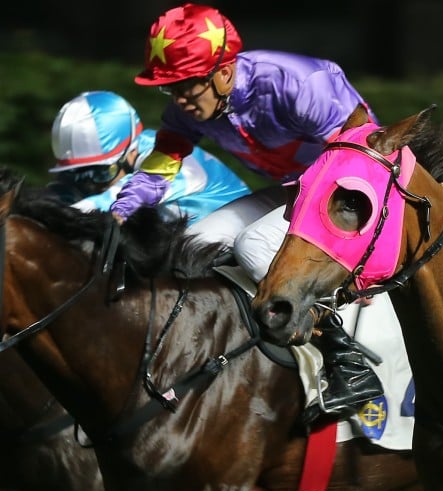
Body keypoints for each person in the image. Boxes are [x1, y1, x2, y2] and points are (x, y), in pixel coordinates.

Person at [110, 3, 382, 423]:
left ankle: (346, 361)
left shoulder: (300, 84)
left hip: (351, 189)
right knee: (194, 244)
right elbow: (161, 164)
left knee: (253, 245)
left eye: (187, 85)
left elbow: (359, 158)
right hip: (297, 189)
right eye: (171, 88)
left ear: (223, 71)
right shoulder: (191, 108)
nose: (180, 99)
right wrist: (120, 213)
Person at [47, 90, 249, 222]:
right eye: (78, 174)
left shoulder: (168, 159)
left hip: (232, 232)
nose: (92, 185)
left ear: (131, 151)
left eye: (100, 173)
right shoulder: (123, 156)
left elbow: (114, 198)